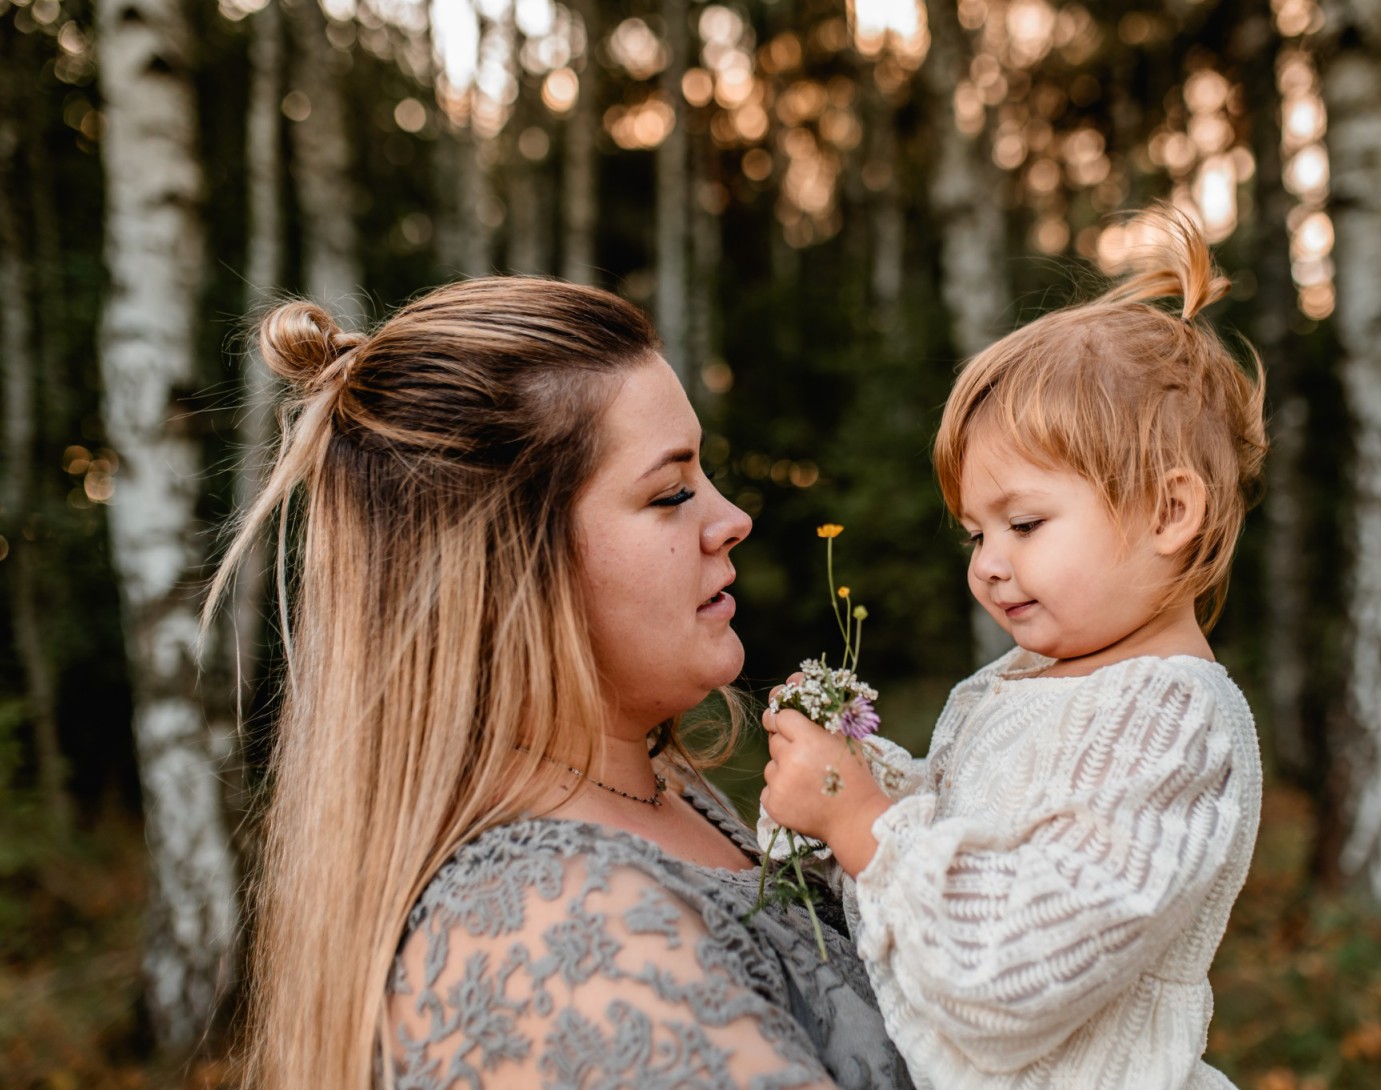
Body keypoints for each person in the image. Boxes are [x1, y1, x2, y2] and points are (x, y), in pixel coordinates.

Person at [207, 278, 911, 1090]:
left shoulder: (660, 792)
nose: (731, 518)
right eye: (670, 492)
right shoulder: (552, 937)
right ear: (508, 572)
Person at [759, 205, 1268, 1090]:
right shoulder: (1022, 681)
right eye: (973, 536)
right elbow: (965, 849)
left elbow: (1009, 972)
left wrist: (862, 820)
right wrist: (845, 782)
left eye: (1025, 523)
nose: (990, 567)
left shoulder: (1170, 723)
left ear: (1169, 513)